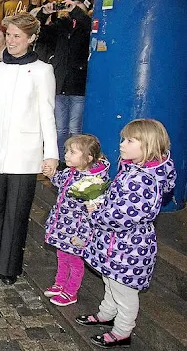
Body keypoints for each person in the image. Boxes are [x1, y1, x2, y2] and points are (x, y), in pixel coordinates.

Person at [0, 12, 58, 285]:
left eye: (17, 36)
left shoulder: (44, 71)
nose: (11, 41)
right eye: (9, 35)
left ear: (31, 39)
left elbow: (47, 114)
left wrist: (51, 154)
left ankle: (9, 268)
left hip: (25, 153)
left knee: (17, 214)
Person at [75, 119, 176, 349]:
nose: (122, 144)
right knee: (111, 281)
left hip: (129, 246)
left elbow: (121, 216)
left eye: (130, 140)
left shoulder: (143, 180)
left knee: (124, 291)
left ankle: (122, 331)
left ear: (148, 145)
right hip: (117, 245)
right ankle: (106, 314)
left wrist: (96, 212)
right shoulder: (134, 169)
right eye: (123, 139)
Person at [42, 134, 110, 306]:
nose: (66, 155)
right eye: (67, 151)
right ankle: (60, 283)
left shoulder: (93, 183)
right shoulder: (71, 171)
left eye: (72, 152)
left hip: (77, 230)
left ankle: (71, 291)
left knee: (75, 261)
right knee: (62, 255)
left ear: (88, 158)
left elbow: (92, 213)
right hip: (63, 225)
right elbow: (60, 181)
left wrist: (83, 235)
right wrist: (52, 175)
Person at [36, 0, 93, 162]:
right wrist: (43, 13)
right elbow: (41, 34)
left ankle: (77, 163)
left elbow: (88, 26)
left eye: (77, 4)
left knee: (75, 128)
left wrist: (76, 11)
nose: (72, 8)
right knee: (60, 128)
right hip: (60, 83)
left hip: (78, 85)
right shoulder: (62, 25)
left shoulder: (88, 23)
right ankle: (62, 161)